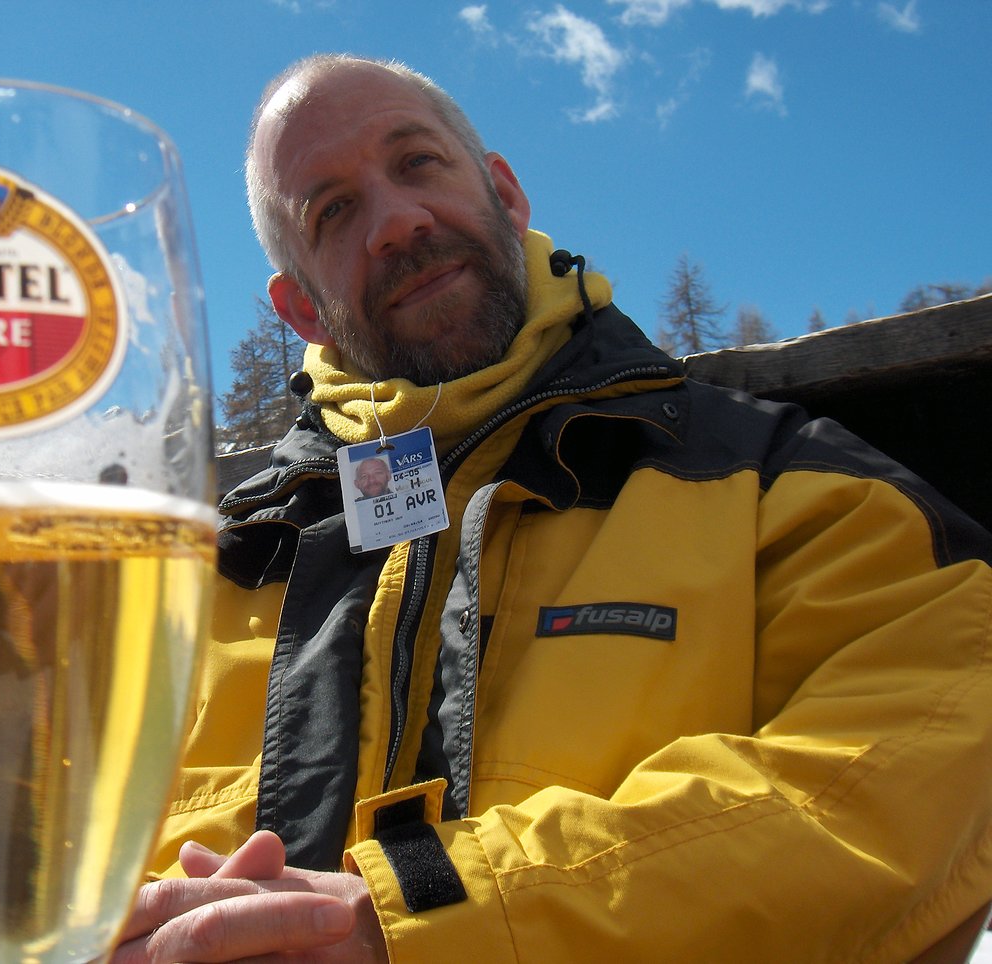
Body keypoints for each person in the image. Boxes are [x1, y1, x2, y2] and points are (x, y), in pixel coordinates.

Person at [118, 54, 992, 962]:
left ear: (504, 192)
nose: (398, 222)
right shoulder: (191, 590)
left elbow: (930, 763)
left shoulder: (783, 487)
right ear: (300, 308)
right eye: (333, 211)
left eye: (418, 163)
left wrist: (410, 919)